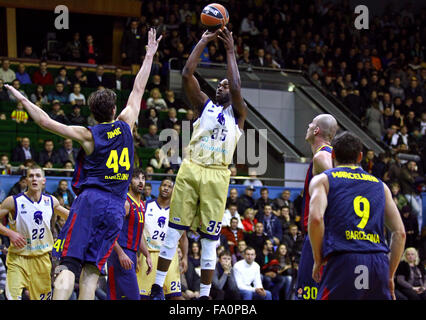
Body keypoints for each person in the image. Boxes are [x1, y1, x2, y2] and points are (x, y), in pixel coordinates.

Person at [4, 28, 162, 300]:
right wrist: (149, 55)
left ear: (93, 113)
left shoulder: (89, 135)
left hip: (90, 201)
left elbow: (45, 122)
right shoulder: (126, 124)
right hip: (115, 207)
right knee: (91, 272)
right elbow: (138, 87)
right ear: (114, 110)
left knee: (68, 266)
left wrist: (21, 97)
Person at [149, 27, 247, 300]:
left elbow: (237, 87)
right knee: (174, 229)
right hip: (192, 168)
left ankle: (204, 295)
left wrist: (230, 50)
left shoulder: (239, 114)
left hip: (217, 174)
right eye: (219, 84)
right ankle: (158, 286)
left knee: (210, 238)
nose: (221, 86)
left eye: (225, 85)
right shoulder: (205, 105)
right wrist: (203, 41)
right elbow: (186, 75)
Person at [308, 131, 406, 300]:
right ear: (361, 157)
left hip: (344, 258)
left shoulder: (323, 179)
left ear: (333, 155)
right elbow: (400, 233)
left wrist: (318, 258)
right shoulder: (381, 186)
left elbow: (316, 219)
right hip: (378, 261)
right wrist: (389, 276)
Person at [0, 166, 69, 299]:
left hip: (41, 259)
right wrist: (10, 233)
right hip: (18, 258)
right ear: (26, 180)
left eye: (37, 176)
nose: (34, 178)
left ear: (44, 180)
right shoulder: (13, 201)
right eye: (31, 176)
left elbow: (73, 217)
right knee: (12, 297)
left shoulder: (51, 201)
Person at [295, 113, 338, 300]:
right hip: (324, 236)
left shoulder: (322, 157)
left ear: (317, 130)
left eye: (311, 123)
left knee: (307, 295)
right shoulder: (328, 155)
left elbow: (340, 189)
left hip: (319, 237)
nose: (308, 125)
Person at [137, 178, 188, 300]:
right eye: (164, 185)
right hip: (147, 255)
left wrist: (185, 256)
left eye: (169, 186)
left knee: (175, 297)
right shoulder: (145, 206)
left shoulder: (177, 211)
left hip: (170, 257)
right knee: (143, 297)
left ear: (173, 190)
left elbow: (184, 238)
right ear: (159, 188)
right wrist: (135, 253)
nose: (166, 188)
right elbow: (136, 232)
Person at [106, 169, 149, 300]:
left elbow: (139, 233)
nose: (141, 181)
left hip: (130, 254)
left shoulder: (142, 204)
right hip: (119, 253)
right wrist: (120, 254)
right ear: (129, 181)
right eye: (136, 178)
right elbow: (110, 230)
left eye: (143, 178)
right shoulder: (125, 203)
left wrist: (147, 255)